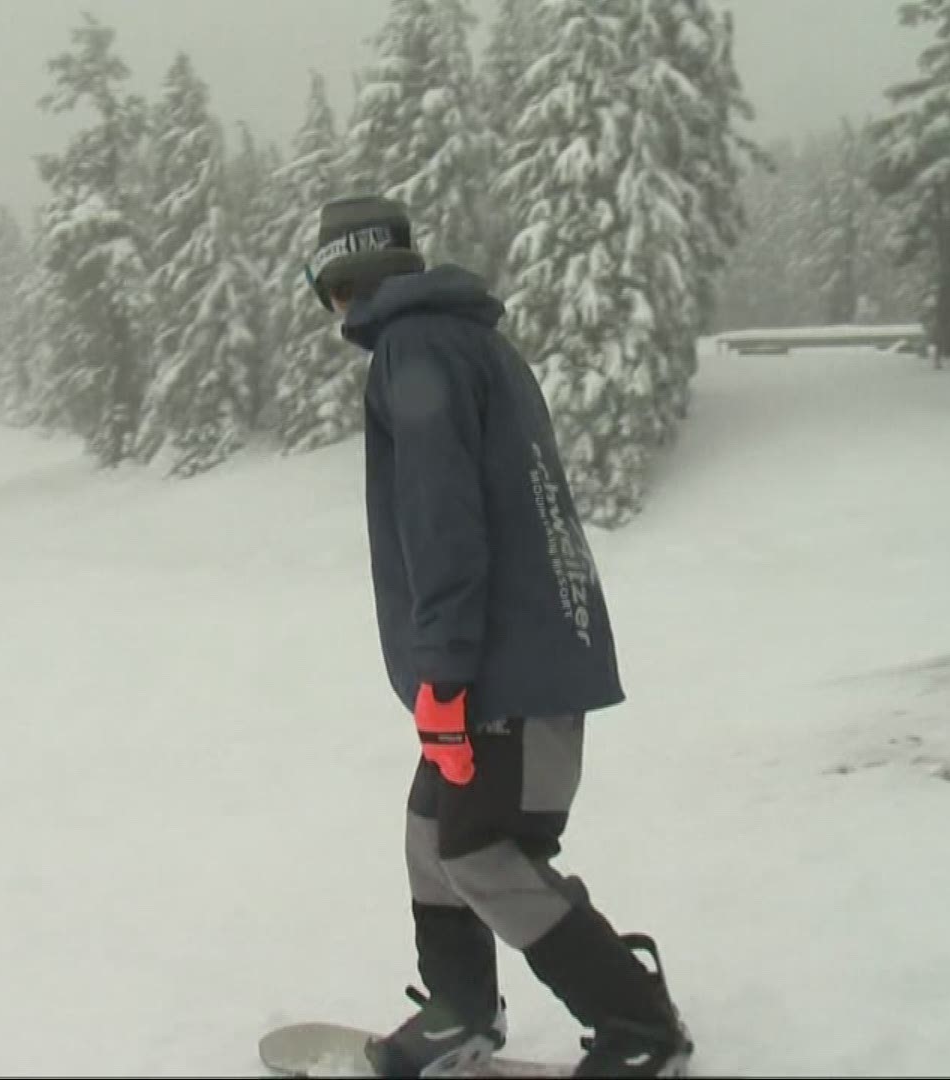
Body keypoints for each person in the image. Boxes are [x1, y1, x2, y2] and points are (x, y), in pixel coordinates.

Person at [301, 194, 694, 1079]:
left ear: (336, 283)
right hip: (509, 657)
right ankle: (460, 1012)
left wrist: (441, 678)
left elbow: (444, 524)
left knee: (480, 851)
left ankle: (640, 1026)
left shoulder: (413, 350)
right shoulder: (465, 340)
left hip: (501, 671)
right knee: (429, 829)